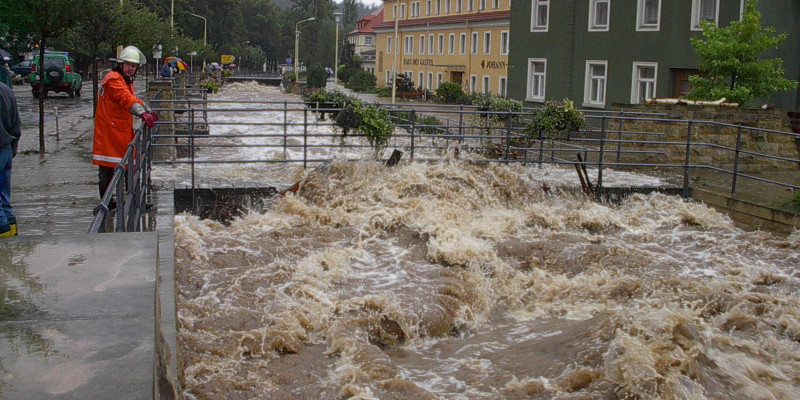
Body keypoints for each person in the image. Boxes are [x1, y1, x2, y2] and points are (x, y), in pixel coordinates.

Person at [92, 45, 157, 201]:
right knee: (108, 169)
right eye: (128, 65)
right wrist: (143, 113)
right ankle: (109, 203)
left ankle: (123, 200)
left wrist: (147, 109)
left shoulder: (123, 80)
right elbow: (126, 99)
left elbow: (132, 98)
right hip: (110, 132)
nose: (130, 68)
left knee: (123, 166)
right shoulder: (114, 79)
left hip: (117, 131)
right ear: (121, 64)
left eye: (133, 66)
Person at [0, 81, 21, 236]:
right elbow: (16, 124)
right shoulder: (7, 90)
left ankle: (4, 241)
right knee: (4, 198)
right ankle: (12, 234)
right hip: (7, 147)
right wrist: (12, 148)